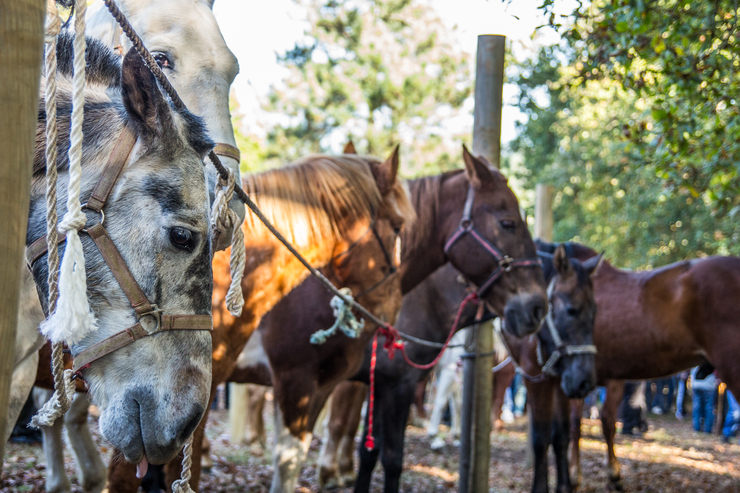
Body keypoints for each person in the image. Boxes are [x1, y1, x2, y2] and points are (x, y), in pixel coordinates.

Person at [691, 365, 717, 433]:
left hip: (696, 384)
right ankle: (707, 429)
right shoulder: (710, 358)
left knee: (697, 407)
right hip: (709, 385)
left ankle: (697, 427)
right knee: (709, 408)